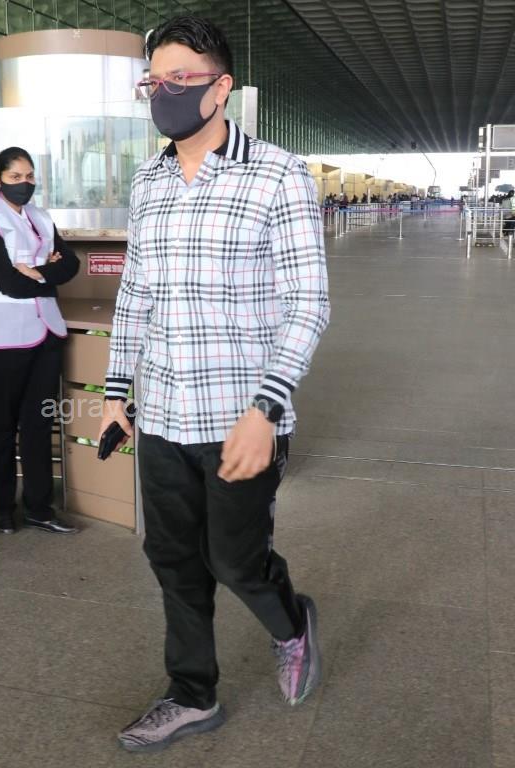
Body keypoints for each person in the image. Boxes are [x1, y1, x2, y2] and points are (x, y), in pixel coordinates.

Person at [99, 16, 330, 753]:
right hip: (164, 413)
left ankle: (291, 624)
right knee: (172, 560)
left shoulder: (278, 174)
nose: (163, 93)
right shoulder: (148, 180)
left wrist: (266, 409)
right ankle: (191, 694)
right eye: (153, 82)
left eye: (180, 79)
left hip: (241, 418)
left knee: (235, 560)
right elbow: (136, 292)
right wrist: (115, 393)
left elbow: (307, 304)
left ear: (221, 87)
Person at [0, 147, 80, 535]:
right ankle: (1, 508)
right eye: (15, 177)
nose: (24, 183)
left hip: (46, 332)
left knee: (38, 423)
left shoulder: (41, 217)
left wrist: (37, 272)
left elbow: (72, 264)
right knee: (1, 424)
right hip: (3, 337)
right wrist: (48, 272)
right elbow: (8, 283)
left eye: (29, 176)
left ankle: (38, 508)